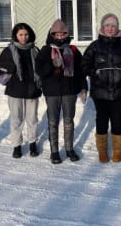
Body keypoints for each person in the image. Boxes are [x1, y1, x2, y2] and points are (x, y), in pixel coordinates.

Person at [81, 13, 121, 163]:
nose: (110, 29)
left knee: (117, 120)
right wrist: (94, 73)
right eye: (107, 25)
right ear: (102, 27)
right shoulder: (95, 46)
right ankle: (102, 150)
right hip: (100, 91)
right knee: (102, 120)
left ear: (117, 28)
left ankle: (117, 150)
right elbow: (84, 65)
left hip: (119, 91)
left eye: (113, 26)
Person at [35, 19, 87, 164]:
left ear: (67, 35)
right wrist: (52, 65)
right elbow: (40, 71)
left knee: (69, 121)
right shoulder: (45, 50)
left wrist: (83, 87)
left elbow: (81, 71)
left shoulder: (74, 50)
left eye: (62, 34)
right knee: (53, 121)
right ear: (52, 34)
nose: (59, 37)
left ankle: (69, 149)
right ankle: (54, 151)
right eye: (56, 34)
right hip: (51, 92)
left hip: (69, 91)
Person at [0, 23, 42, 158]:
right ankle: (17, 145)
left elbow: (40, 67)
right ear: (15, 35)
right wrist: (11, 67)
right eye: (20, 34)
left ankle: (32, 143)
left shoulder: (34, 50)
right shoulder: (9, 50)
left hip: (32, 89)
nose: (23, 37)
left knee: (32, 119)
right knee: (16, 119)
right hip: (15, 90)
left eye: (26, 34)